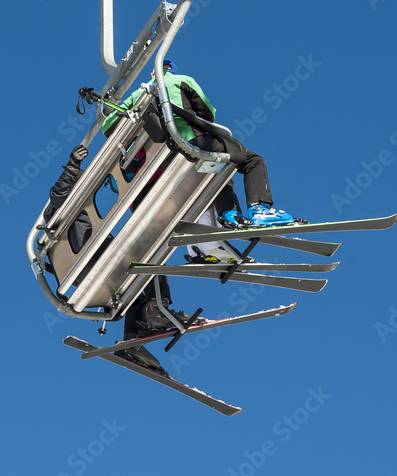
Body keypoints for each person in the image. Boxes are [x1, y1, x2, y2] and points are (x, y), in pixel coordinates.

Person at [44, 145, 200, 376]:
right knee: (150, 257)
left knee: (134, 291)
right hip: (90, 262)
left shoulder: (83, 221)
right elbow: (59, 195)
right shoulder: (62, 215)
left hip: (91, 267)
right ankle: (157, 309)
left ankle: (132, 342)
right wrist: (72, 167)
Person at [102, 58, 296, 227]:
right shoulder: (182, 80)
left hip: (165, 158)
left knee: (216, 169)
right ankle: (260, 209)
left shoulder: (137, 95)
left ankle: (230, 215)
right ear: (172, 71)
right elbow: (207, 112)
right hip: (192, 141)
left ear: (153, 73)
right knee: (252, 161)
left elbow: (107, 127)